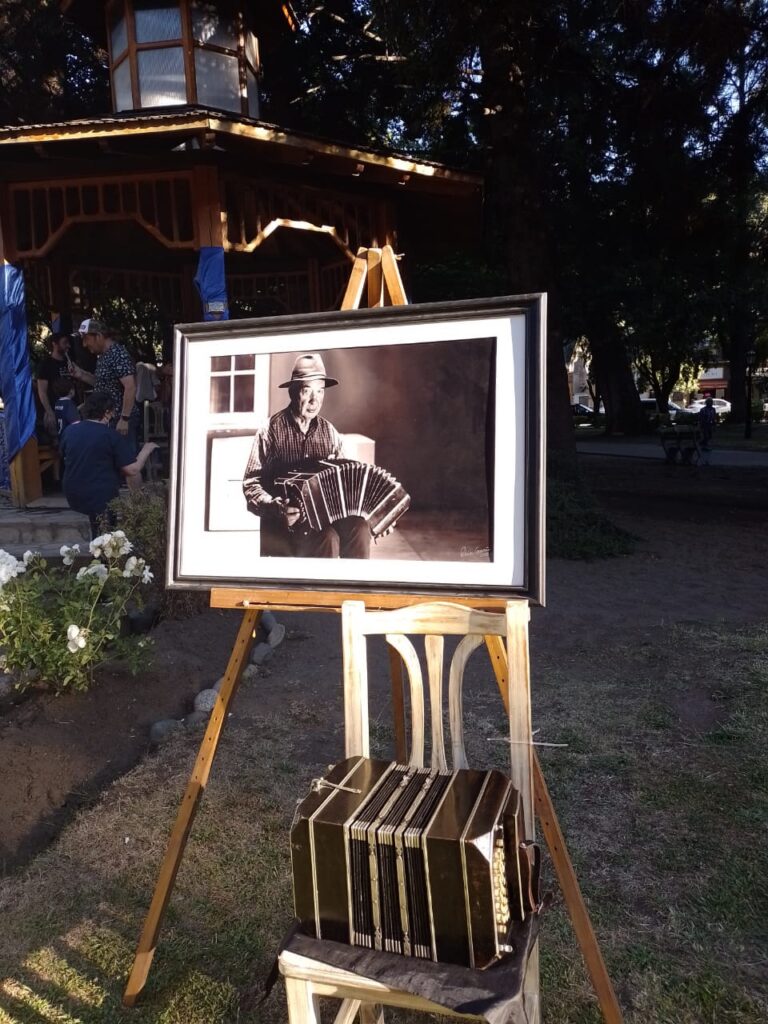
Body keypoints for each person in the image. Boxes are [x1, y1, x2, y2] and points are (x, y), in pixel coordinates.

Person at [242, 353, 370, 558]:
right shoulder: (270, 430)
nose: (314, 400)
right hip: (285, 522)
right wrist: (274, 506)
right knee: (327, 538)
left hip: (325, 515)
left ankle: (353, 588)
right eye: (306, 391)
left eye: (320, 391)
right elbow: (251, 483)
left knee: (360, 529)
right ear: (293, 392)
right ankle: (319, 590)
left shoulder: (330, 432)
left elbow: (348, 486)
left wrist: (374, 513)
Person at [60, 391, 157, 538]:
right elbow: (132, 469)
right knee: (107, 537)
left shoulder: (70, 430)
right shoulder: (110, 435)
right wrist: (146, 449)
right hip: (100, 495)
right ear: (106, 413)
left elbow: (63, 455)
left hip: (72, 492)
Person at [69, 319, 139, 453]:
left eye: (86, 339)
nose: (84, 344)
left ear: (99, 336)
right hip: (108, 420)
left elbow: (130, 386)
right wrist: (81, 374)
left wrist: (124, 418)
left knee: (128, 466)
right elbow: (103, 383)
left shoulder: (117, 354)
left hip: (119, 419)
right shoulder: (103, 356)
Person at [35, 332, 74, 439]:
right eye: (65, 343)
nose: (68, 346)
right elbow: (42, 391)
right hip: (55, 409)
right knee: (58, 441)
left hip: (71, 408)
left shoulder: (69, 362)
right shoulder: (46, 364)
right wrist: (49, 412)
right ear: (54, 344)